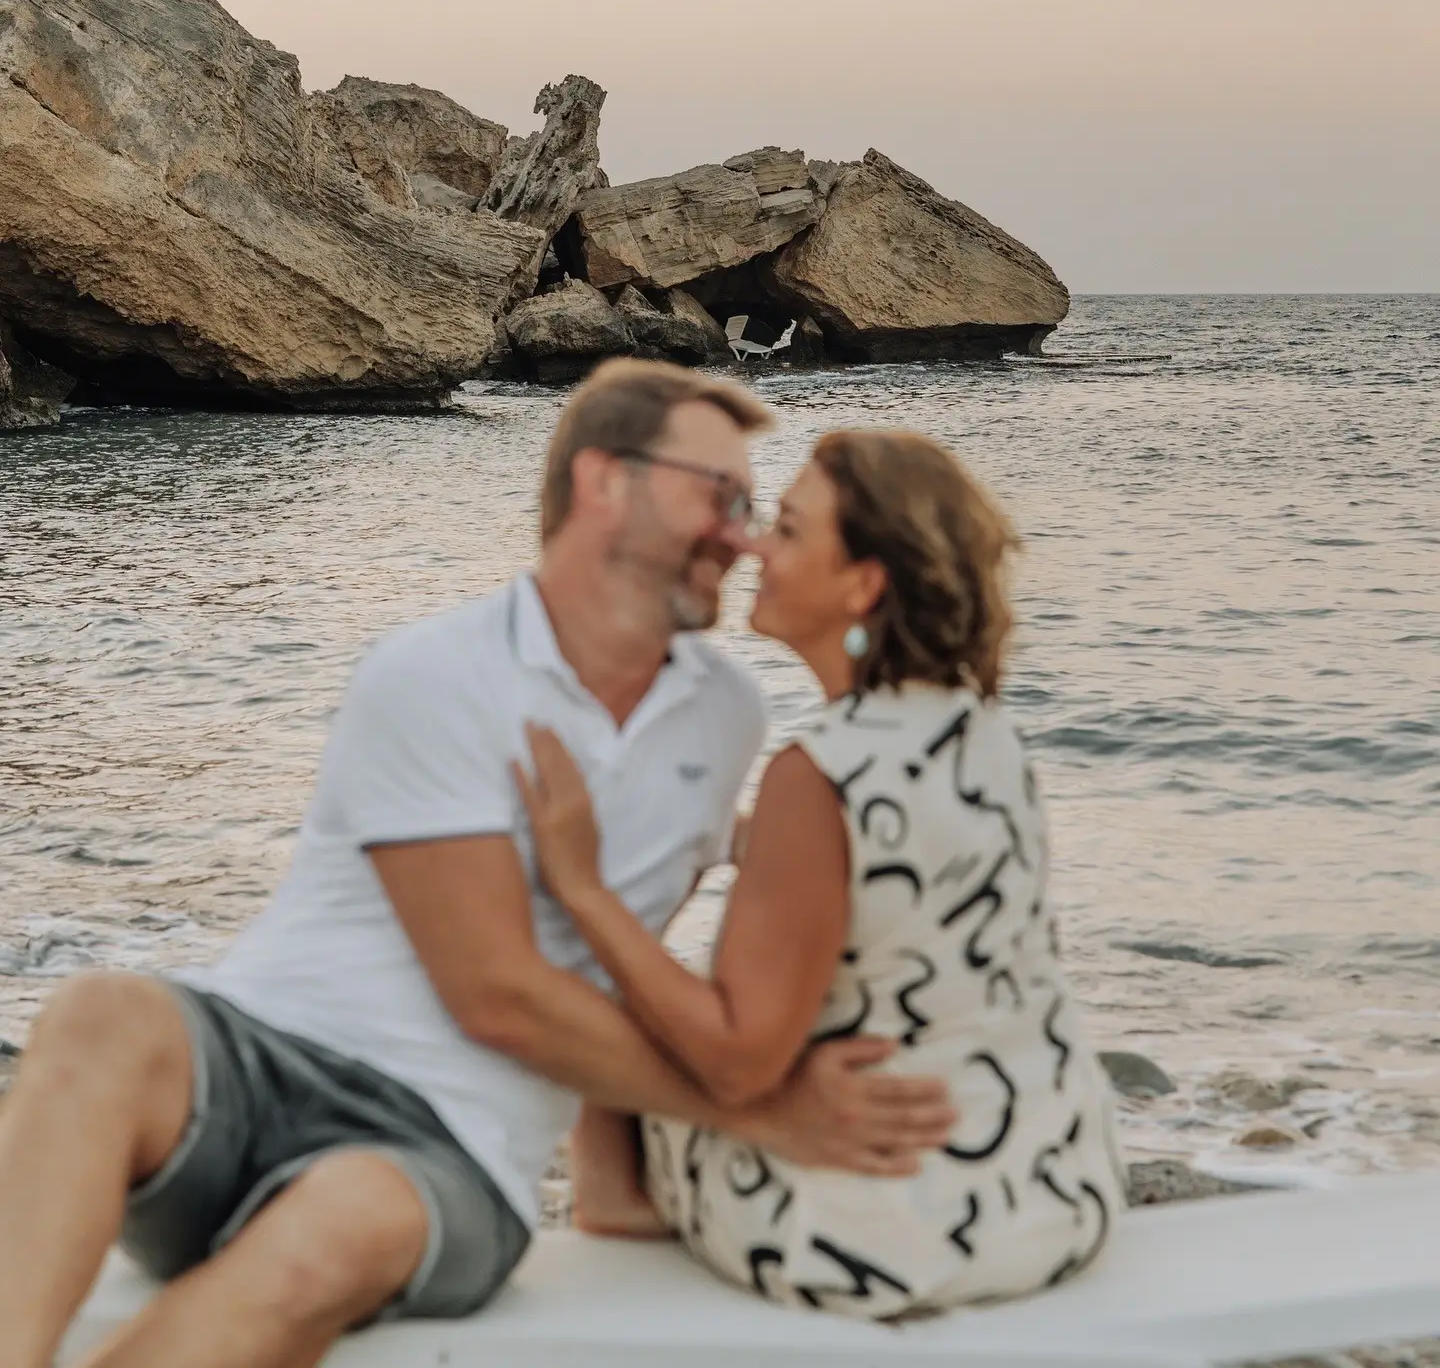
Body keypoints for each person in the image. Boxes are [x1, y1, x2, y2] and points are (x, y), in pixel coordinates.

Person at [0, 363, 955, 1368]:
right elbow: (497, 993)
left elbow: (629, 959)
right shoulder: (439, 673)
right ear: (604, 483)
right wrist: (764, 1114)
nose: (743, 535)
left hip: (445, 1153)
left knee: (339, 1218)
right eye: (718, 495)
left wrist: (620, 1181)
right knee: (102, 1012)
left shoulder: (727, 718)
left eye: (753, 507)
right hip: (257, 1062)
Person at [516, 428, 1128, 1321]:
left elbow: (737, 1057)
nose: (756, 545)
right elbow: (893, 873)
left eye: (791, 530)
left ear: (863, 583)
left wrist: (582, 886)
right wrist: (729, 833)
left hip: (878, 1235)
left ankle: (616, 1200)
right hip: (1052, 1191)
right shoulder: (977, 726)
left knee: (604, 972)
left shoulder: (819, 772)